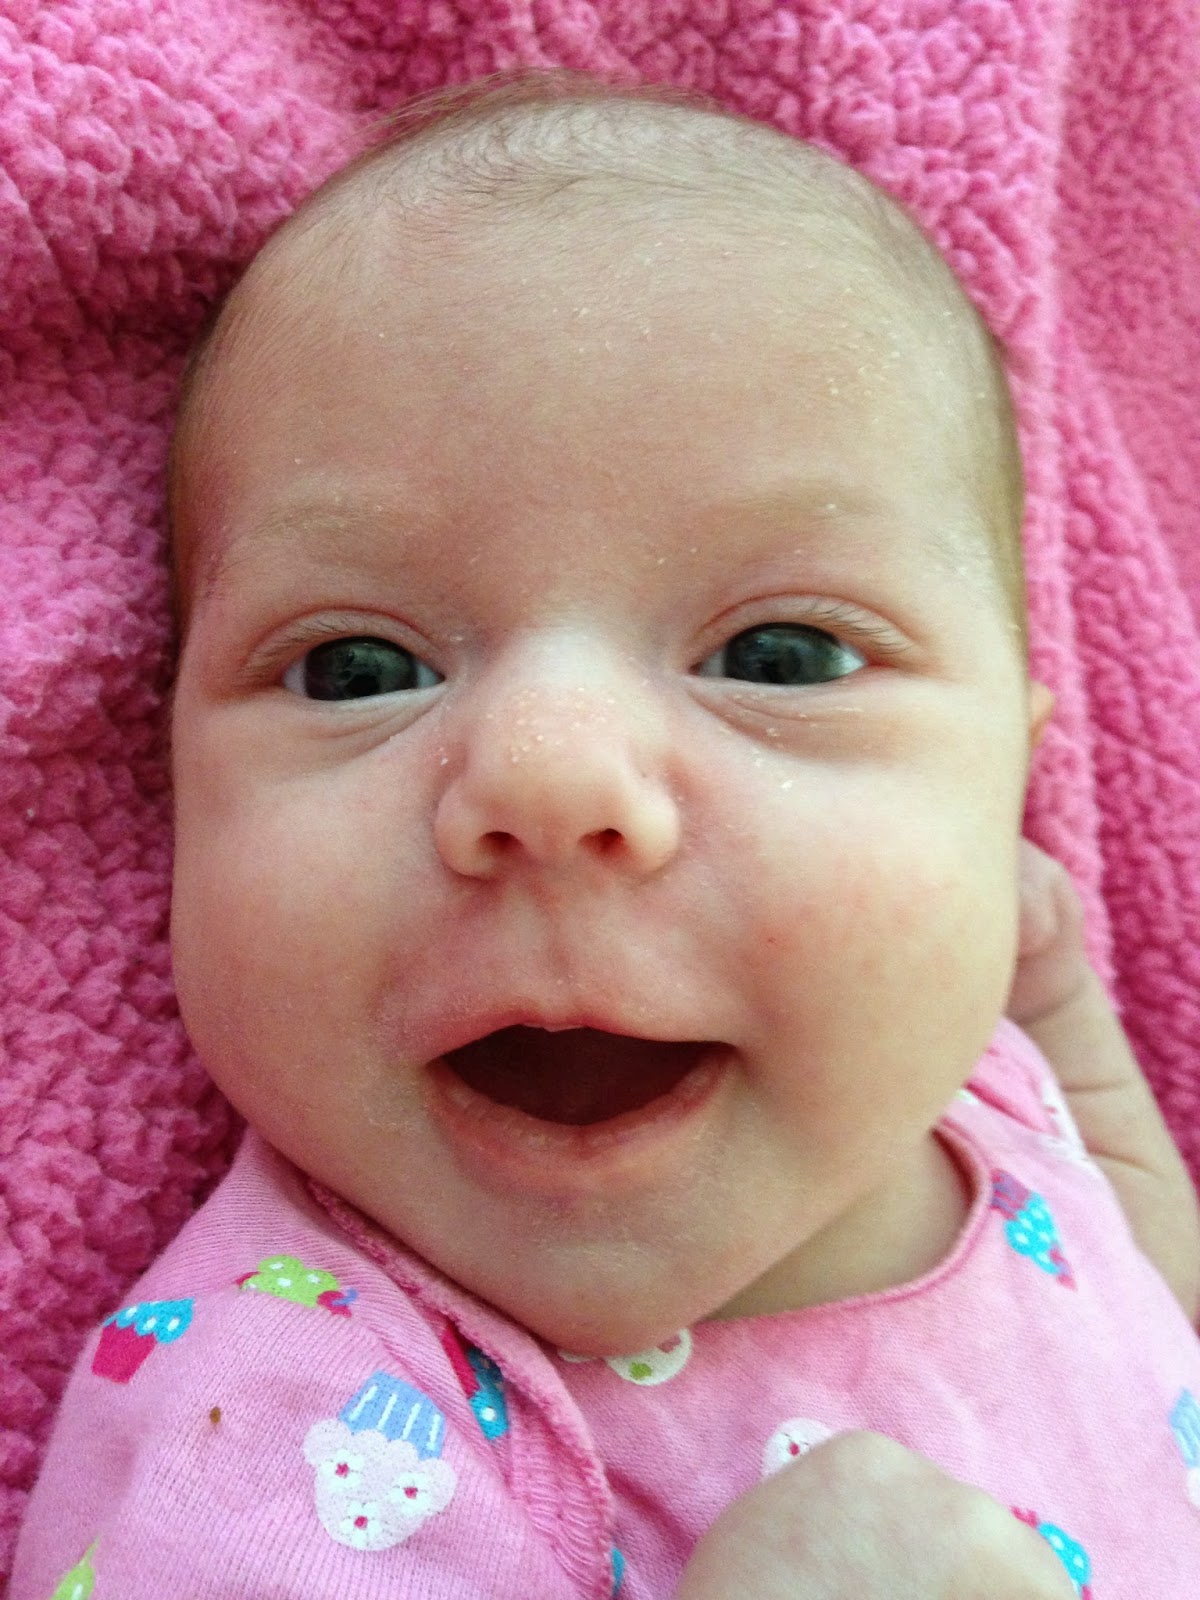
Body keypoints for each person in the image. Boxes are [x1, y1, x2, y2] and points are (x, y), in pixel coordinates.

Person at [11, 71, 1200, 1600]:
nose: (549, 777)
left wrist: (1071, 1030)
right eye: (358, 671)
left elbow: (1148, 1314)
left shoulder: (981, 1078)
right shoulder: (275, 1441)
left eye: (780, 657)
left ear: (1008, 783)